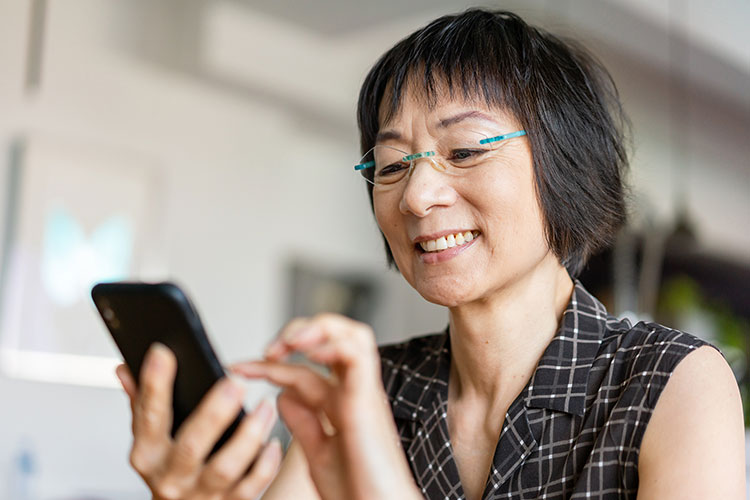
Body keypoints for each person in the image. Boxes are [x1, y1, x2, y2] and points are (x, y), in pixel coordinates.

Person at [114, 8, 745, 500]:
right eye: (390, 165)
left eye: (465, 151)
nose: (416, 196)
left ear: (566, 166)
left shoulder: (670, 382)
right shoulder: (368, 392)